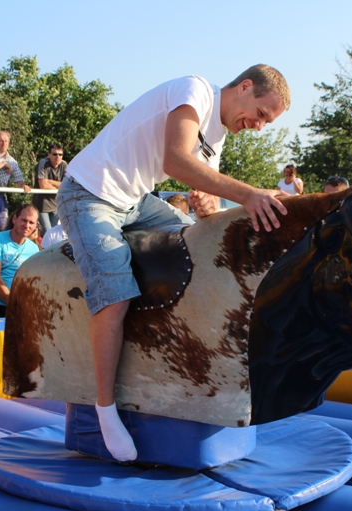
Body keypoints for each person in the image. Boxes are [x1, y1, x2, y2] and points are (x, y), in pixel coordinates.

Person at [58, 64, 291, 461]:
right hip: (88, 193)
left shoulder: (216, 136)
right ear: (245, 87)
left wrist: (207, 207)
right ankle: (105, 409)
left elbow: (206, 200)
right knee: (115, 294)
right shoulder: (194, 90)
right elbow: (175, 160)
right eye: (261, 114)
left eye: (266, 123)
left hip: (134, 202)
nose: (258, 126)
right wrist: (250, 194)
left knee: (193, 240)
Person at [0, 204, 40, 318]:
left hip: (21, 305)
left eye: (31, 222)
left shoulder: (34, 249)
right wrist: (15, 305)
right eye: (24, 220)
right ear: (14, 219)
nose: (27, 225)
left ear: (36, 225)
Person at [32, 144, 68, 232]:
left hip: (56, 205)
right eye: (54, 154)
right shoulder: (43, 163)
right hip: (42, 205)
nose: (58, 157)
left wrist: (50, 181)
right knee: (47, 231)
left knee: (53, 233)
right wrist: (59, 187)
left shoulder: (64, 164)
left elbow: (66, 185)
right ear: (49, 155)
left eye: (60, 154)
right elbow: (43, 185)